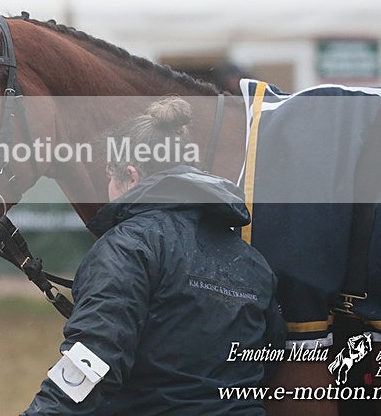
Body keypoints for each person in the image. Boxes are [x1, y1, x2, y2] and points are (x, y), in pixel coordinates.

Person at [22, 97, 284, 415]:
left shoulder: (127, 248)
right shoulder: (253, 262)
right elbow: (267, 359)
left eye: (109, 175)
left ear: (130, 177)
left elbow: (93, 360)